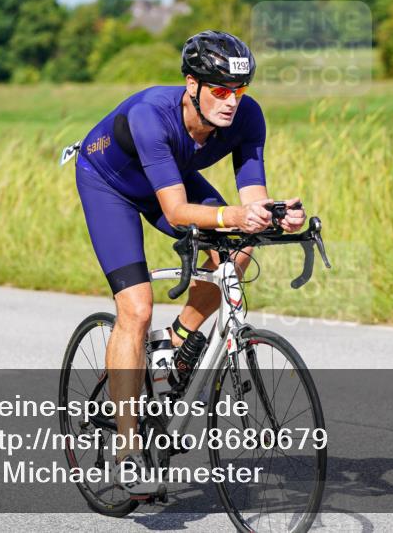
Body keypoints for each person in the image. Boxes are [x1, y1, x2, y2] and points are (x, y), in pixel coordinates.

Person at [73, 30, 306, 495]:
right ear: (191, 85)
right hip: (110, 185)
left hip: (169, 179)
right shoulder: (150, 116)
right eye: (220, 91)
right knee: (136, 310)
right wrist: (234, 215)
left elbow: (251, 199)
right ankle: (126, 450)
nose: (231, 102)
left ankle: (179, 344)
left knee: (239, 247)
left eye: (238, 91)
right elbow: (177, 212)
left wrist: (276, 216)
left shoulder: (248, 117)